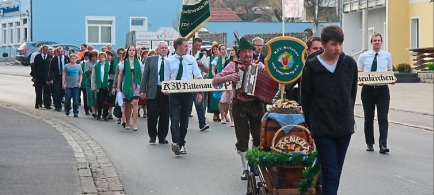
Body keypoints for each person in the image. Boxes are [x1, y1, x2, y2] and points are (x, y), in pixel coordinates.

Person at [301, 25, 358, 195]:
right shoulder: (311, 67)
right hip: (322, 128)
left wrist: (348, 115)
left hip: (344, 127)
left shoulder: (349, 64)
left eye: (340, 44)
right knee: (330, 171)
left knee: (335, 171)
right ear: (324, 44)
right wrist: (313, 126)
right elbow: (306, 99)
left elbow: (352, 94)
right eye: (333, 44)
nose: (338, 48)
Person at [212, 37, 264, 180]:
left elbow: (268, 80)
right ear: (239, 53)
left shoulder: (259, 65)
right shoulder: (233, 65)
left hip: (257, 104)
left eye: (250, 51)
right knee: (242, 138)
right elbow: (215, 80)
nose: (248, 54)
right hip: (239, 104)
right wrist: (228, 77)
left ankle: (253, 163)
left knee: (259, 137)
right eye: (245, 52)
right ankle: (245, 168)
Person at [163, 37, 203, 155]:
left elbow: (198, 76)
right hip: (174, 93)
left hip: (187, 93)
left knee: (184, 120)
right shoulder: (169, 61)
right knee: (175, 118)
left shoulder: (191, 59)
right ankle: (176, 142)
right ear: (178, 47)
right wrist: (166, 88)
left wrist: (199, 92)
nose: (187, 48)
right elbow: (166, 77)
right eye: (185, 46)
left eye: (188, 46)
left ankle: (181, 142)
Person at [358, 32, 396, 154]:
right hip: (368, 89)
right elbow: (359, 72)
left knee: (383, 118)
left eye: (379, 40)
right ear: (371, 42)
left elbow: (390, 71)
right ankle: (369, 142)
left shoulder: (387, 56)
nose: (377, 42)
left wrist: (392, 78)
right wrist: (360, 80)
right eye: (374, 40)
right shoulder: (363, 56)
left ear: (382, 42)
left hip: (382, 90)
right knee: (368, 118)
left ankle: (383, 144)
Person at [273, 36, 323, 103]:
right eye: (315, 48)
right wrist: (275, 103)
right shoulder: (301, 67)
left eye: (321, 48)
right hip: (306, 108)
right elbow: (286, 87)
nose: (318, 51)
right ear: (307, 50)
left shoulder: (329, 67)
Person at [140, 41, 170, 144]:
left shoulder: (171, 61)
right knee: (152, 114)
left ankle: (162, 137)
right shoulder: (150, 60)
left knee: (165, 115)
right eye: (162, 48)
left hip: (166, 91)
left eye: (165, 48)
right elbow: (145, 76)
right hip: (153, 89)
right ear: (157, 50)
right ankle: (152, 135)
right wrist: (143, 90)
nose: (164, 49)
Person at [116, 46, 144, 131]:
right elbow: (120, 75)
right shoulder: (123, 63)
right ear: (127, 52)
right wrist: (118, 87)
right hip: (127, 83)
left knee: (135, 103)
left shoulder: (138, 62)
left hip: (136, 83)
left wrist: (142, 86)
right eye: (130, 50)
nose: (132, 52)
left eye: (133, 50)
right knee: (127, 104)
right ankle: (127, 122)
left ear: (135, 52)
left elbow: (141, 75)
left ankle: (135, 123)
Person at [188, 37, 209, 131]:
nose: (198, 47)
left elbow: (206, 70)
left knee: (199, 103)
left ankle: (202, 123)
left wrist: (201, 65)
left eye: (200, 45)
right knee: (186, 104)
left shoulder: (201, 55)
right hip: (187, 81)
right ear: (193, 44)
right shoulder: (187, 53)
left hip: (197, 81)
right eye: (196, 45)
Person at [48, 47, 70, 111]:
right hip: (57, 77)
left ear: (63, 52)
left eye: (61, 52)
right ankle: (58, 106)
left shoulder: (66, 58)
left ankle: (65, 105)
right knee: (56, 92)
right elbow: (50, 69)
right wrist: (51, 78)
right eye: (59, 52)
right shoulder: (54, 59)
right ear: (57, 52)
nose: (60, 53)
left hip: (65, 77)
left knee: (63, 92)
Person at [91, 52, 111, 121]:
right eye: (100, 57)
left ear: (105, 58)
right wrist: (93, 86)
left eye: (103, 57)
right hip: (99, 85)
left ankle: (105, 114)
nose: (101, 58)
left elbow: (110, 75)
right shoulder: (96, 66)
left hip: (106, 85)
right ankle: (99, 114)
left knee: (106, 101)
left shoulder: (108, 65)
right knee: (99, 100)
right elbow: (93, 76)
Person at [222, 45, 238, 127]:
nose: (231, 52)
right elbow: (224, 72)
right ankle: (228, 118)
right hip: (228, 83)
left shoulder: (239, 61)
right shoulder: (228, 61)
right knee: (227, 101)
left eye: (233, 50)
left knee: (234, 103)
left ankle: (234, 119)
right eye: (230, 50)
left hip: (236, 84)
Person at [33, 45, 52, 109]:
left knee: (47, 91)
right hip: (39, 76)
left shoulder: (49, 57)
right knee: (38, 91)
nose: (46, 51)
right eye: (45, 50)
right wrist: (34, 77)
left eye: (47, 50)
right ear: (42, 50)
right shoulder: (37, 57)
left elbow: (51, 69)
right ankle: (38, 103)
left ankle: (47, 104)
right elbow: (34, 68)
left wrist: (50, 77)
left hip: (47, 77)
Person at [207, 44, 221, 122]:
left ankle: (220, 114)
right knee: (213, 97)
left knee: (220, 96)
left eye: (216, 49)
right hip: (213, 78)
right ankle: (215, 114)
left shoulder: (222, 58)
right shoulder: (211, 58)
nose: (215, 51)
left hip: (221, 79)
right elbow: (211, 69)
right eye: (214, 49)